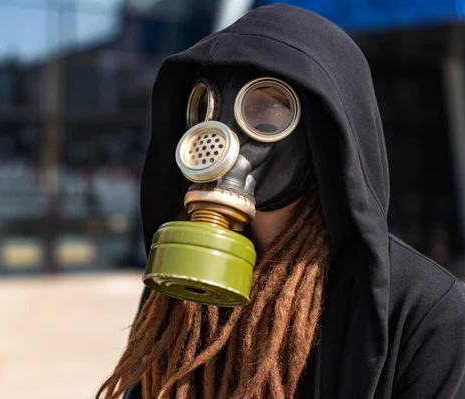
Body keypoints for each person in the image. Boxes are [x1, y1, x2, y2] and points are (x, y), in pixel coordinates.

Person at [96, 4, 465, 399]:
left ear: (325, 132)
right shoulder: (182, 291)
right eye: (205, 109)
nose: (219, 139)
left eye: (265, 111)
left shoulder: (425, 311)